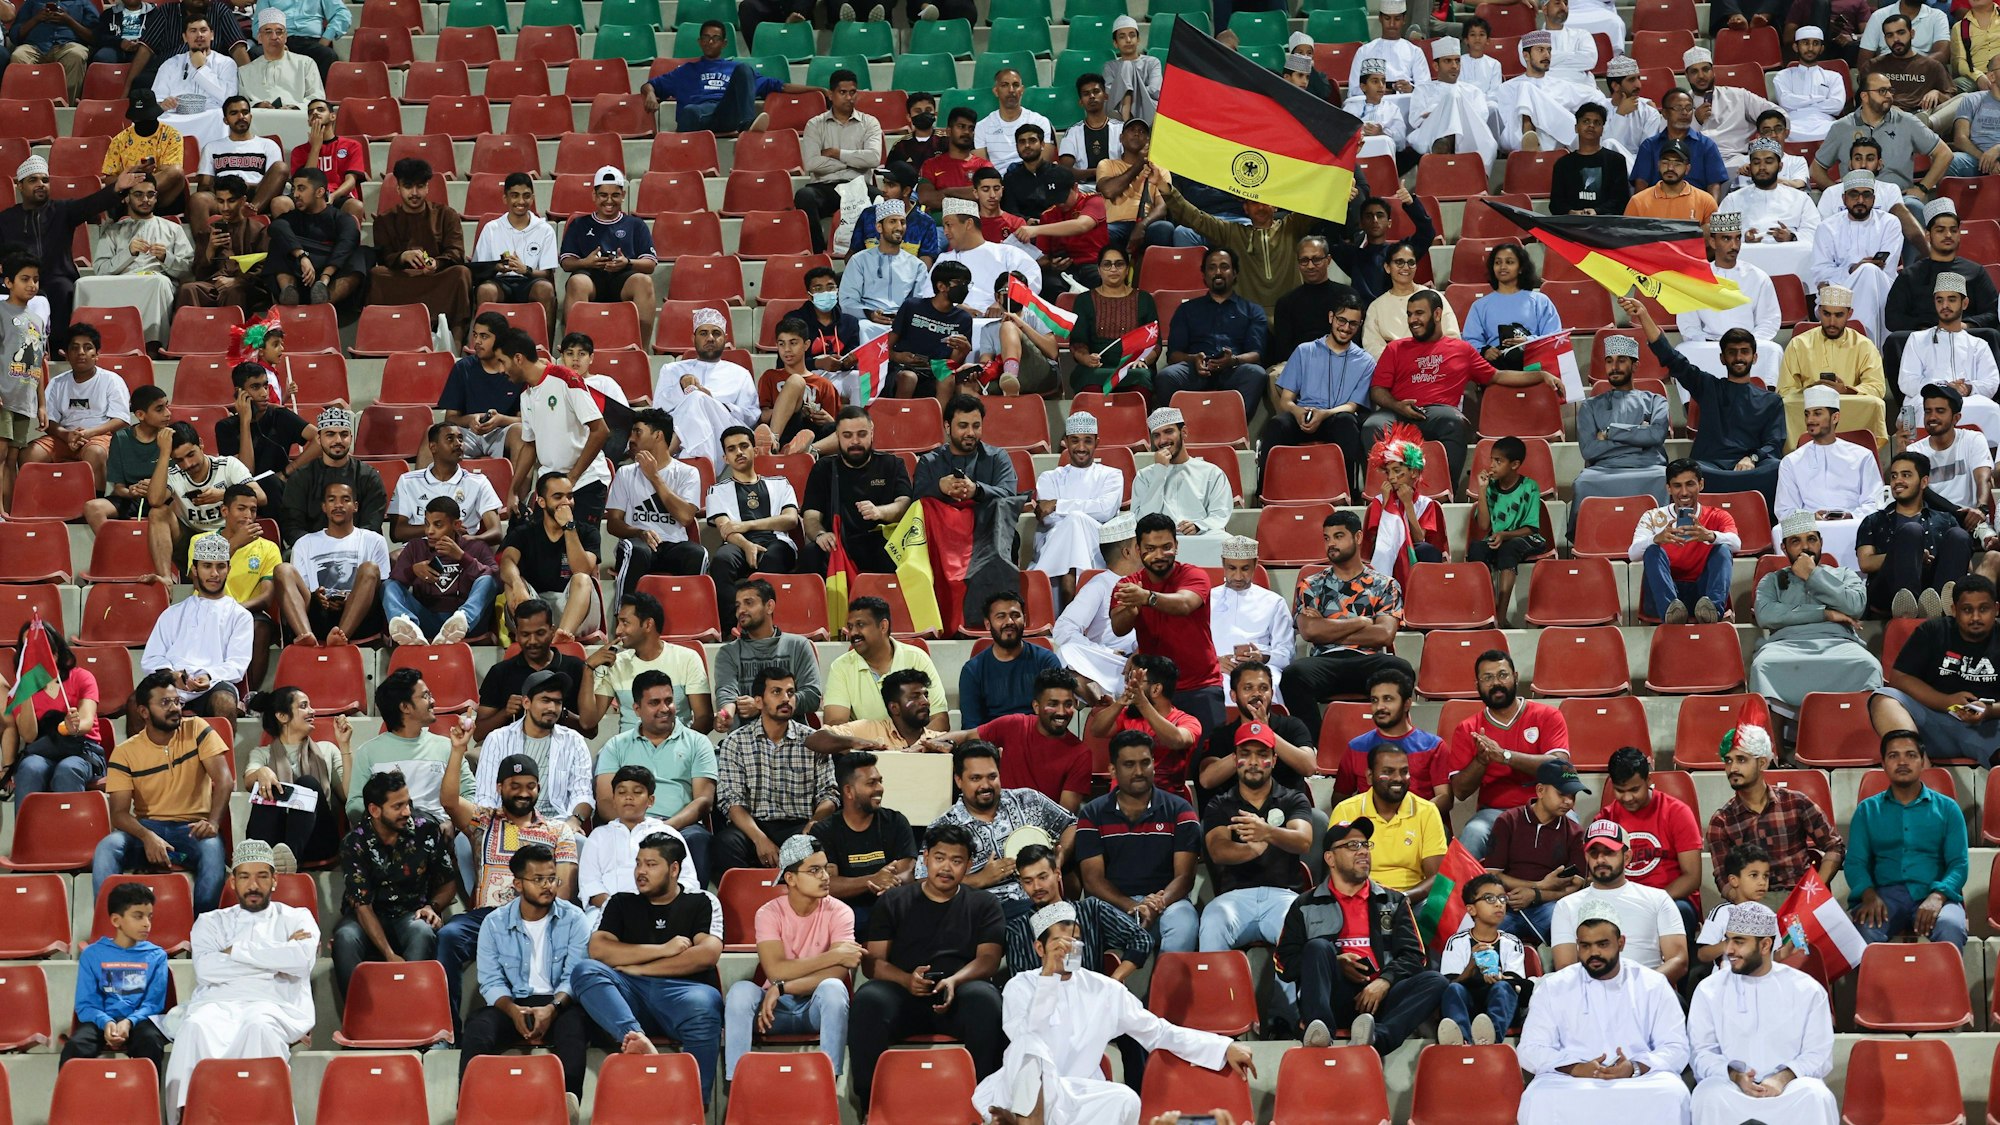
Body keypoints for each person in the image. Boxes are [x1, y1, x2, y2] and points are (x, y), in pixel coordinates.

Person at [977, 901, 1251, 1125]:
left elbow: (1158, 1032)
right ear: (1039, 948)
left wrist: (1223, 1046)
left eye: (1075, 942)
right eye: (1059, 945)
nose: (1068, 951)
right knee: (1030, 1050)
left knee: (1126, 1099)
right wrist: (1049, 975)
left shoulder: (1104, 990)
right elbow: (1026, 1036)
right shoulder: (1020, 985)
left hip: (1075, 1096)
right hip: (1021, 1093)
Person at [163, 839, 318, 1121]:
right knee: (195, 1027)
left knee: (258, 1027)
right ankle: (191, 1117)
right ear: (233, 882)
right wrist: (275, 962)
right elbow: (208, 969)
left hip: (273, 1004)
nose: (253, 885)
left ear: (274, 880)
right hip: (215, 1003)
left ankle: (264, 1116)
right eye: (245, 876)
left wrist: (235, 951)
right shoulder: (211, 921)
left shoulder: (297, 918)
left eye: (261, 876)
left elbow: (301, 960)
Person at [1278, 817, 1449, 1054]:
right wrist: (1333, 963)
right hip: (1331, 998)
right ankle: (1320, 1034)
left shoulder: (1393, 901)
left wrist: (1384, 981)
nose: (1362, 852)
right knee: (1318, 948)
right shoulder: (1305, 904)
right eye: (1351, 846)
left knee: (1436, 981)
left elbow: (1415, 956)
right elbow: (1283, 963)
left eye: (1365, 845)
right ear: (1330, 858)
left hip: (1380, 998)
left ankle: (1376, 1039)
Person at [1516, 904, 1693, 1125]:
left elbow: (1676, 1047)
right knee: (1538, 1098)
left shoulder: (1652, 984)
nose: (1594, 953)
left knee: (1672, 1094)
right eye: (1585, 945)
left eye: (1602, 944)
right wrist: (1577, 1068)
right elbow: (1531, 1049)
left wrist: (1634, 1067)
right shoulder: (1554, 986)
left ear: (1621, 943)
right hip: (1571, 1080)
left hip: (1640, 1080)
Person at [1368, 290, 1552, 487]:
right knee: (1373, 425)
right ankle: (1384, 491)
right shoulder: (1395, 348)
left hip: (1438, 413)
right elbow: (1377, 390)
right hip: (1399, 413)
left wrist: (1540, 375)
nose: (1413, 320)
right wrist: (1397, 406)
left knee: (1452, 422)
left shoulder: (1461, 349)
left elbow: (1497, 375)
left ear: (1437, 314)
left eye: (1419, 313)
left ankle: (1444, 489)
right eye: (1410, 314)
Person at [719, 834, 856, 1085]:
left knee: (834, 989)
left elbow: (837, 973)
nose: (825, 877)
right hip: (772, 1013)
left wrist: (784, 987)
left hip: (814, 1007)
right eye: (814, 870)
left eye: (825, 868)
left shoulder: (841, 912)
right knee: (739, 992)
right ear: (790, 878)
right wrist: (833, 955)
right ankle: (737, 1085)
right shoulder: (768, 913)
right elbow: (775, 970)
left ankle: (829, 1082)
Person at [462, 843, 592, 1106]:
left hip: (559, 1003)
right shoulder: (494, 922)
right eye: (538, 879)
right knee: (478, 1028)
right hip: (513, 1003)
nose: (548, 886)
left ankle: (568, 1107)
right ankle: (468, 1105)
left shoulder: (575, 918)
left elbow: (574, 975)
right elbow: (490, 980)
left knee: (575, 1027)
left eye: (552, 878)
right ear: (518, 884)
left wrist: (553, 1008)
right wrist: (512, 1011)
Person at [1688, 901, 1840, 1125]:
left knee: (1816, 1095)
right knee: (1707, 1094)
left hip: (1788, 1089)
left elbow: (1819, 1054)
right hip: (1731, 1087)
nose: (1729, 949)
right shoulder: (1709, 990)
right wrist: (1736, 1076)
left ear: (1765, 945)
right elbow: (1701, 1052)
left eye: (1739, 942)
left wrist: (1782, 1078)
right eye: (1728, 939)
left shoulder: (1806, 989)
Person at [1624, 297, 1786, 505]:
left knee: (1777, 467)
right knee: (1686, 473)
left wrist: (1751, 458)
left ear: (1754, 357)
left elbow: (1774, 443)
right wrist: (1644, 315)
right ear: (1722, 358)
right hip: (1710, 468)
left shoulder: (1771, 401)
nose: (1738, 357)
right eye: (1732, 352)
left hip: (1750, 469)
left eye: (1744, 352)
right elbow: (1672, 358)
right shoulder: (1709, 387)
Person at [1196, 724, 1314, 990]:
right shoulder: (1220, 804)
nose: (1252, 762)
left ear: (1273, 759)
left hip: (1282, 895)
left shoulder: (1293, 798)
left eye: (1261, 754)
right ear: (1235, 758)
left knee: (1296, 927)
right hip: (1234, 897)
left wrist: (1267, 832)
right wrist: (1253, 849)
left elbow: (1303, 840)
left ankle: (1291, 1018)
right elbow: (1218, 850)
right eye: (1245, 753)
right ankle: (1219, 1015)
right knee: (1213, 921)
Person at [1282, 510, 1413, 744]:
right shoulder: (1311, 584)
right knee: (1293, 675)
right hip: (1326, 662)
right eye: (1326, 538)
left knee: (1400, 668)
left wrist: (1326, 628)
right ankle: (1312, 748)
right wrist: (1361, 622)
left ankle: (1393, 742)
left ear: (1358, 537)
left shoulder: (1385, 585)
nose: (1331, 543)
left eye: (1338, 536)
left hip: (1368, 661)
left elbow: (1383, 634)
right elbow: (1310, 632)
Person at [331, 768, 456, 1000]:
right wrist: (389, 955)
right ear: (374, 810)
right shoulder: (354, 843)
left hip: (410, 913)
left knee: (422, 931)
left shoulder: (426, 829)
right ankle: (360, 1017)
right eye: (397, 806)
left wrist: (432, 907)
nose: (407, 811)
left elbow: (448, 883)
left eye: (407, 803)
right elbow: (362, 906)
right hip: (367, 916)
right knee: (345, 938)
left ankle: (408, 1013)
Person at [1076, 732, 1200, 954]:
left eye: (1145, 763)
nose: (1139, 772)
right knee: (1084, 921)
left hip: (1167, 904)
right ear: (1113, 769)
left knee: (1185, 922)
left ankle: (1165, 988)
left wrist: (1157, 904)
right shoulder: (1092, 814)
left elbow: (1185, 877)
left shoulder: (1180, 810)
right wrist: (1133, 906)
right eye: (1129, 765)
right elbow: (1092, 880)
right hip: (1114, 907)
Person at [1844, 728, 1970, 946]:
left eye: (1910, 755)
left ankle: (1944, 982)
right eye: (1894, 756)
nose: (1902, 762)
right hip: (1884, 895)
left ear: (1922, 761)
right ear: (1883, 763)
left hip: (1934, 891)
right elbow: (1855, 862)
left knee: (1951, 926)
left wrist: (1938, 896)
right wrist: (1868, 895)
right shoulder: (1868, 810)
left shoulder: (1948, 809)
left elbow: (1959, 864)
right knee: (1863, 928)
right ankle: (1876, 982)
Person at [918, 742, 1077, 913]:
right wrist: (979, 879)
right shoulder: (944, 827)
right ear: (958, 780)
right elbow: (922, 883)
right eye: (975, 778)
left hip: (1043, 904)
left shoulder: (1028, 800)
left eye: (992, 777)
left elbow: (1071, 824)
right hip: (985, 914)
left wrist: (1057, 861)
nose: (985, 785)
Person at [1110, 508, 1225, 739]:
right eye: (1150, 549)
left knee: (1207, 764)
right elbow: (1118, 627)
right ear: (1137, 550)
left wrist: (1146, 598)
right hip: (1155, 691)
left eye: (1166, 547)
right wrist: (1132, 610)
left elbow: (1184, 604)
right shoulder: (1128, 584)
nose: (1159, 555)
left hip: (1201, 685)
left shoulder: (1194, 575)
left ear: (1177, 546)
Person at [1751, 511, 1881, 714]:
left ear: (1821, 542)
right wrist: (1825, 614)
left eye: (1811, 539)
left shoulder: (1843, 574)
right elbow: (1766, 615)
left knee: (1869, 665)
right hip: (1785, 646)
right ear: (1784, 548)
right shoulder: (1772, 580)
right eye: (1796, 541)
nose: (1805, 547)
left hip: (1840, 644)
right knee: (1763, 665)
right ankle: (1772, 745)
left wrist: (1813, 575)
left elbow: (1855, 606)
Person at [592, 672, 715, 883]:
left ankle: (691, 909)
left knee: (698, 840)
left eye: (669, 701)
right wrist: (636, 827)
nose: (664, 709)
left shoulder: (698, 742)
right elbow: (605, 801)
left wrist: (664, 828)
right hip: (627, 824)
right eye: (654, 703)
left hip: (681, 826)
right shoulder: (615, 746)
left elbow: (703, 801)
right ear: (636, 709)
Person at [0, 160, 138, 344]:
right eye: (33, 180)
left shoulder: (62, 210)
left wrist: (116, 188)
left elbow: (92, 203)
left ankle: (57, 349)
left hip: (56, 276)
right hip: (17, 279)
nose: (41, 184)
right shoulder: (6, 219)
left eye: (45, 180)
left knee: (62, 290)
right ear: (20, 186)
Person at [715, 669, 837, 872]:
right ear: (758, 702)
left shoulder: (814, 740)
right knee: (725, 843)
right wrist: (759, 839)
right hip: (754, 826)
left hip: (801, 824)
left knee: (826, 836)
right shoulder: (735, 742)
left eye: (790, 693)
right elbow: (731, 800)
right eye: (776, 692)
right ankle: (744, 899)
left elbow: (829, 794)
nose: (786, 699)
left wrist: (814, 823)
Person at [1871, 575, 2000, 763]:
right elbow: (1899, 677)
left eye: (1983, 609)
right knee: (1884, 697)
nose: (1975, 617)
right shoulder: (1932, 631)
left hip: (1989, 727)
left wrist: (1989, 710)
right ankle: (1918, 770)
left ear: (1996, 609)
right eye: (1967, 610)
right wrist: (1945, 701)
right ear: (1954, 610)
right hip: (1933, 723)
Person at [1706, 723, 1846, 895]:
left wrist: (1814, 891)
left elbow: (1835, 846)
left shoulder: (1796, 802)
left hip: (1799, 895)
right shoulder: (1721, 821)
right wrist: (1747, 905)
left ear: (1762, 763)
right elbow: (1723, 878)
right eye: (1728, 760)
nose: (1732, 768)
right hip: (1753, 902)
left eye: (1741, 760)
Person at [1259, 294, 1373, 494]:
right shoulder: (1305, 351)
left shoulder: (1366, 361)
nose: (1346, 328)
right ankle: (1265, 492)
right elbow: (1286, 400)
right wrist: (1297, 411)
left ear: (1360, 324)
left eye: (1353, 324)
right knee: (1278, 424)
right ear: (1331, 318)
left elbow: (1352, 406)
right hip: (1304, 415)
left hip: (1335, 417)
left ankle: (1348, 493)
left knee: (1347, 422)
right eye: (1342, 320)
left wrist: (1326, 414)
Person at [1551, 821, 1690, 984]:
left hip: (1648, 993)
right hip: (1589, 996)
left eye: (1609, 852)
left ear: (1627, 857)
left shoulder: (1658, 899)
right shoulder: (1566, 906)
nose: (1600, 859)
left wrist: (1639, 989)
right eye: (1594, 853)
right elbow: (1566, 967)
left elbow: (1679, 961)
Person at [139, 536, 254, 717]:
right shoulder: (172, 613)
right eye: (207, 566)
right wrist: (172, 675)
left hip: (213, 684)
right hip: (172, 683)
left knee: (224, 701)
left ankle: (223, 747)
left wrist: (209, 675)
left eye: (220, 566)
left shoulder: (240, 616)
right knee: (135, 702)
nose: (214, 573)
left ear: (229, 569)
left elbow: (237, 664)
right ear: (195, 569)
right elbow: (152, 657)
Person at [343, 672, 474, 831]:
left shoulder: (448, 747)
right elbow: (354, 805)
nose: (433, 701)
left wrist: (453, 825)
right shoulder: (368, 752)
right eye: (425, 696)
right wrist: (390, 822)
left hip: (444, 834)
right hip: (390, 836)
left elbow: (471, 795)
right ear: (405, 707)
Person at [1151, 247, 1271, 418]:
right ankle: (1179, 431)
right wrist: (1194, 359)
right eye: (1212, 267)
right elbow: (1173, 355)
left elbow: (1256, 354)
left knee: (1256, 373)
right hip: (1195, 369)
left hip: (1233, 369)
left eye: (1224, 267)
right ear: (1204, 274)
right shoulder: (1187, 310)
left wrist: (1233, 360)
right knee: (1166, 377)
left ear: (1235, 272)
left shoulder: (1252, 310)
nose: (1218, 272)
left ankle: (1234, 430)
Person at [75, 173, 191, 348]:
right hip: (121, 281)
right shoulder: (114, 231)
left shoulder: (172, 229)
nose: (145, 200)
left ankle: (153, 345)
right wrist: (128, 252)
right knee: (82, 283)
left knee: (157, 281)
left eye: (150, 195)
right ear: (127, 199)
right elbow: (101, 269)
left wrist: (166, 257)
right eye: (138, 195)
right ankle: (83, 343)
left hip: (154, 281)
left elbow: (188, 269)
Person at [1774, 388, 1883, 569]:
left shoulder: (1862, 456)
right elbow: (1784, 510)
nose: (1810, 420)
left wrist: (1850, 516)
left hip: (1854, 524)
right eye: (1807, 414)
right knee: (1781, 531)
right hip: (1810, 527)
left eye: (1817, 414)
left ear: (1835, 417)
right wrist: (1811, 517)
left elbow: (1875, 503)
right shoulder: (1791, 462)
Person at [1855, 451, 1973, 619]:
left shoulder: (1945, 519)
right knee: (1911, 531)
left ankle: (1941, 608)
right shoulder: (1874, 520)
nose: (1898, 481)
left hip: (1933, 586)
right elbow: (1865, 563)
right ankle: (1906, 605)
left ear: (1924, 482)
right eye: (1894, 476)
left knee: (1959, 535)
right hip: (1887, 591)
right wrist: (1908, 554)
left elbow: (1967, 566)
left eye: (1906, 475)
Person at [65, 881, 171, 1067]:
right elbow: (86, 1004)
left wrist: (129, 1022)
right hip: (101, 1020)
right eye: (138, 917)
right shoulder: (92, 954)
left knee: (150, 1042)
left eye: (149, 917)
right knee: (75, 1046)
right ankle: (72, 1095)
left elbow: (153, 1004)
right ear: (116, 920)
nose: (147, 924)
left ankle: (147, 1095)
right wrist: (106, 1022)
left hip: (140, 1021)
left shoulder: (157, 956)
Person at [602, 408, 706, 596]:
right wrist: (639, 532)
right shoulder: (625, 473)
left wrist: (654, 477)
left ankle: (692, 617)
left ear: (658, 435)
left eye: (638, 432)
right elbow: (613, 523)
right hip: (637, 543)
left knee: (698, 554)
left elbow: (685, 517)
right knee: (636, 551)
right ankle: (624, 617)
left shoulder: (687, 473)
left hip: (673, 545)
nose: (631, 438)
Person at [799, 406, 913, 576]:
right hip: (838, 541)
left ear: (872, 433)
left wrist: (879, 511)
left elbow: (904, 505)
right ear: (837, 436)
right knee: (810, 555)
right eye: (847, 435)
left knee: (901, 557)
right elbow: (811, 516)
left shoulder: (892, 464)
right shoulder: (823, 468)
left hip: (879, 541)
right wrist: (820, 534)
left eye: (862, 434)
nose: (855, 442)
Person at [1627, 458, 1743, 624]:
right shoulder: (1652, 517)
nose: (1684, 492)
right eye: (1677, 485)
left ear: (1701, 484)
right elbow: (1633, 554)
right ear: (1668, 488)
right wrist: (1657, 538)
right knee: (1652, 550)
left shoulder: (1718, 516)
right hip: (1665, 594)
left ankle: (1712, 611)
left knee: (1723, 549)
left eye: (1690, 484)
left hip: (1702, 595)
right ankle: (1671, 611)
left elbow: (1736, 544)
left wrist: (1710, 536)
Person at [584, 591, 715, 737]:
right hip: (629, 753)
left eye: (625, 623)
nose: (618, 630)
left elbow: (705, 718)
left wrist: (681, 745)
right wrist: (588, 668)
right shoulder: (616, 663)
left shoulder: (687, 658)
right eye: (618, 623)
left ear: (648, 624)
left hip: (677, 752)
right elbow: (588, 722)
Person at [274, 480, 389, 646]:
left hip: (360, 616)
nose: (338, 505)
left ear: (355, 506)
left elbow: (381, 589)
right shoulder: (304, 543)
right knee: (282, 569)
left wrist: (351, 598)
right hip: (317, 615)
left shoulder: (374, 540)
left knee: (369, 568)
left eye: (345, 500)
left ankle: (339, 637)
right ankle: (306, 637)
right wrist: (316, 596)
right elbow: (301, 596)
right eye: (332, 500)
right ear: (324, 507)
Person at [477, 669, 594, 830]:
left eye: (558, 702)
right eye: (545, 700)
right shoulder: (498, 739)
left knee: (582, 845)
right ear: (527, 703)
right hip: (508, 824)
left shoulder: (574, 741)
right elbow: (485, 796)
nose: (552, 708)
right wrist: (497, 826)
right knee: (465, 841)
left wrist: (574, 821)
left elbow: (583, 793)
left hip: (556, 825)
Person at [556, 167, 659, 347]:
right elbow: (566, 262)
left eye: (615, 195)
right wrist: (586, 262)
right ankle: (574, 349)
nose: (609, 201)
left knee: (644, 282)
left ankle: (640, 349)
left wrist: (627, 262)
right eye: (603, 195)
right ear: (594, 195)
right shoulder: (579, 223)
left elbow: (650, 263)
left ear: (623, 195)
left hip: (623, 278)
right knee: (577, 282)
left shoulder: (635, 224)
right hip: (591, 278)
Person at [369, 158, 471, 338]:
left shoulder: (447, 215)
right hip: (402, 278)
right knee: (377, 274)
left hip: (435, 278)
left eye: (420, 186)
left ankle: (455, 341)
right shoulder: (384, 220)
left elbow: (456, 253)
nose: (414, 193)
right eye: (408, 186)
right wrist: (402, 257)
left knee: (461, 273)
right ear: (398, 188)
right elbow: (384, 256)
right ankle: (383, 337)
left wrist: (436, 263)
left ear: (427, 188)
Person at [243, 687, 344, 867]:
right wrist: (261, 772)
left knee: (307, 784)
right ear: (282, 716)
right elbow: (249, 781)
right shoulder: (262, 753)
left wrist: (345, 746)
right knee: (269, 786)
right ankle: (262, 858)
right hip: (275, 836)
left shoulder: (327, 750)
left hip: (318, 839)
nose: (312, 711)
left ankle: (288, 858)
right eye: (304, 706)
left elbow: (347, 795)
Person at [3, 621, 103, 803]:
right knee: (29, 768)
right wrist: (26, 690)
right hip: (42, 750)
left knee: (67, 769)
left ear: (55, 651)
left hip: (81, 749)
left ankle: (71, 831)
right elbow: (29, 735)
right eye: (27, 648)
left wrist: (74, 725)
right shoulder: (21, 690)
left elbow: (86, 722)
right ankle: (26, 831)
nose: (33, 652)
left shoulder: (82, 677)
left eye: (39, 646)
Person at [1328, 742, 1446, 894]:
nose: (1398, 778)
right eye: (1388, 772)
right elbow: (1337, 870)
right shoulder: (1346, 810)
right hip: (1359, 896)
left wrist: (1402, 899)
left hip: (1412, 899)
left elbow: (1436, 878)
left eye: (1404, 772)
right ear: (1370, 777)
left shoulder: (1427, 811)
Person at [1895, 272, 2000, 444]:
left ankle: (1991, 467)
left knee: (1993, 410)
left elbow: (1991, 383)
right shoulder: (1917, 339)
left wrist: (1967, 388)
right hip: (1926, 401)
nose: (1945, 305)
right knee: (1926, 409)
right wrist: (1943, 387)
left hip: (1967, 401)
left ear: (1964, 303)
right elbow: (1907, 382)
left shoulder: (1978, 345)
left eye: (1951, 299)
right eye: (1939, 300)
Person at [498, 472, 603, 643]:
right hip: (534, 606)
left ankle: (562, 638)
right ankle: (536, 635)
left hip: (576, 609)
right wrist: (517, 584)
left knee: (583, 579)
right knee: (511, 581)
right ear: (541, 502)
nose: (566, 502)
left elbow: (582, 570)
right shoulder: (524, 533)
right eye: (558, 496)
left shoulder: (588, 533)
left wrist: (569, 527)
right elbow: (506, 562)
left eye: (570, 496)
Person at [1780, 284, 1889, 445]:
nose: (1831, 322)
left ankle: (1864, 449)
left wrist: (1846, 390)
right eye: (1826, 314)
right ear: (1819, 311)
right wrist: (1811, 390)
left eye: (1838, 315)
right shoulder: (1799, 344)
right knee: (1785, 404)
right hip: (1809, 406)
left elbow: (1877, 388)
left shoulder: (1864, 345)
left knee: (1876, 403)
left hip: (1848, 405)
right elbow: (1784, 391)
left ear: (1849, 314)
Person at [1029, 413, 1123, 597]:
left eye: (1087, 441)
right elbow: (1048, 520)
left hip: (1097, 544)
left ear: (1097, 442)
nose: (1081, 447)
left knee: (1075, 520)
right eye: (1075, 440)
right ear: (1065, 442)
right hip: (1055, 542)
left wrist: (1058, 504)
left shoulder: (1112, 475)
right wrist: (1085, 510)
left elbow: (1105, 511)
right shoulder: (1049, 477)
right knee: (1074, 523)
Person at [712, 578, 822, 732]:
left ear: (769, 606)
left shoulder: (798, 646)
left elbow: (812, 696)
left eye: (748, 603)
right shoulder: (728, 652)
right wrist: (725, 714)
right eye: (738, 606)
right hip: (745, 742)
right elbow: (726, 693)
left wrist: (761, 706)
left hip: (794, 739)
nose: (740, 611)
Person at [652, 308, 758, 469]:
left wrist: (713, 403)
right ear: (693, 338)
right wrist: (680, 388)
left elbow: (751, 416)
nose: (710, 338)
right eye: (703, 333)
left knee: (697, 398)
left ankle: (667, 455)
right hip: (681, 431)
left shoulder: (740, 374)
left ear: (725, 338)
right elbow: (658, 410)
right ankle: (700, 469)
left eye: (716, 333)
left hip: (723, 432)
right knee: (695, 399)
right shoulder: (671, 370)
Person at [1083, 654, 1203, 795]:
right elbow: (1097, 730)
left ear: (1156, 689)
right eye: (1129, 679)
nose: (1129, 685)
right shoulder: (1127, 715)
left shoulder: (1187, 721)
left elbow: (1177, 740)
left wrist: (1142, 703)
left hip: (1166, 805)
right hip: (1121, 800)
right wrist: (1121, 702)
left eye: (1137, 681)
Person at [822, 596, 947, 727]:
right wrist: (879, 743)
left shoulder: (917, 659)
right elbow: (834, 724)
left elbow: (939, 720)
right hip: (865, 746)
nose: (853, 633)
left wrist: (914, 746)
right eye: (850, 626)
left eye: (860, 625)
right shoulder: (841, 667)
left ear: (883, 626)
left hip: (917, 746)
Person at [1130, 410, 1232, 568]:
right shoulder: (1145, 476)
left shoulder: (1211, 472)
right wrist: (1159, 472)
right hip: (1157, 541)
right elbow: (1142, 518)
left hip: (1199, 537)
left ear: (1183, 432)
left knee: (1224, 542)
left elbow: (1220, 513)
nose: (1162, 440)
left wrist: (1199, 526)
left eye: (1168, 431)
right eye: (1156, 435)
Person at [1437, 873, 1529, 1045]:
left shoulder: (1512, 942)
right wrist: (1471, 967)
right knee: (1454, 990)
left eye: (1502, 898)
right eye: (1489, 898)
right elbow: (1448, 984)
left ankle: (1490, 1039)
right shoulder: (1456, 941)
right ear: (1471, 909)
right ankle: (1460, 1040)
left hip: (1500, 1004)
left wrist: (1499, 977)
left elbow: (1518, 985)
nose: (1498, 904)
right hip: (1469, 1003)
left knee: (1502, 988)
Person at [276, 408, 386, 547]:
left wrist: (347, 547)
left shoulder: (368, 477)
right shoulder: (301, 478)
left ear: (351, 438)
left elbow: (372, 524)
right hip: (313, 550)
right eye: (330, 434)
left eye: (344, 434)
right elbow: (292, 527)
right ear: (318, 438)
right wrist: (321, 548)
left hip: (358, 550)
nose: (338, 440)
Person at [1210, 538, 1297, 704]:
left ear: (1255, 564)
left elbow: (1287, 654)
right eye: (1231, 568)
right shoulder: (1206, 600)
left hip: (1261, 670)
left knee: (1271, 686)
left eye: (1245, 569)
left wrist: (1262, 658)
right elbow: (1194, 648)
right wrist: (1214, 662)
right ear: (1223, 563)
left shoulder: (1274, 602)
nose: (1238, 576)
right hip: (1216, 670)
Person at [959, 597, 1066, 729]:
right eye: (1000, 616)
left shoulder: (1045, 661)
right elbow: (971, 725)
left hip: (1038, 739)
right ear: (988, 624)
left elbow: (1054, 715)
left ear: (1024, 620)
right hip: (991, 743)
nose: (1009, 622)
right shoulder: (972, 670)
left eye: (1015, 615)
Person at [268, 167, 362, 307]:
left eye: (301, 188)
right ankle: (288, 291)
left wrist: (326, 275)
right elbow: (276, 227)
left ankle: (324, 299)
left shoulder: (340, 217)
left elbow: (348, 241)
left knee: (362, 253)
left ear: (319, 192)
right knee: (278, 240)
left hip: (330, 272)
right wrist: (302, 256)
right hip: (300, 272)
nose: (295, 194)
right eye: (294, 189)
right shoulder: (291, 217)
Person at [1410, 38, 1500, 171]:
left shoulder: (1473, 91)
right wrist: (1441, 111)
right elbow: (1415, 120)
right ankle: (1443, 141)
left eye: (1457, 61)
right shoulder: (1423, 90)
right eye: (1448, 61)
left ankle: (1446, 143)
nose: (1454, 66)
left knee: (1454, 98)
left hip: (1467, 136)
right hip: (1430, 133)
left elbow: (1479, 120)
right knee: (1452, 97)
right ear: (1436, 66)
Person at [1717, 139, 1821, 246]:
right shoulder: (1732, 200)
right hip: (1746, 256)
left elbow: (1815, 234)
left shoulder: (1800, 199)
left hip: (1790, 256)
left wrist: (1791, 237)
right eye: (1756, 162)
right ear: (1750, 166)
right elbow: (1720, 237)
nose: (1762, 167)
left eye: (1769, 162)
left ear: (1780, 166)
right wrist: (1743, 238)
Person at [1859, 12, 1953, 112]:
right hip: (1887, 115)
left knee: (1963, 99)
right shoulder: (1873, 66)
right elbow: (1863, 101)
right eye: (1890, 35)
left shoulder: (1932, 66)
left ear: (1912, 34)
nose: (1896, 39)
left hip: (1924, 114)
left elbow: (1951, 99)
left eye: (1901, 33)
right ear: (1885, 39)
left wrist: (1938, 94)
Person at [1550, 102, 1633, 215]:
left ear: (1602, 129)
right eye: (1586, 121)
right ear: (1576, 128)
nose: (1591, 125)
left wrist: (1597, 211)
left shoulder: (1616, 161)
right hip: (1571, 226)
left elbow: (1621, 201)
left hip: (1605, 226)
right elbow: (1555, 204)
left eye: (1597, 122)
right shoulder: (1563, 164)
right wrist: (1571, 212)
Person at [239, 10, 323, 109]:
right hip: (259, 120)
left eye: (279, 32)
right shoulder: (245, 72)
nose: (274, 37)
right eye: (268, 32)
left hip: (297, 119)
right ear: (260, 38)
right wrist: (257, 106)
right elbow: (240, 104)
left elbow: (317, 97)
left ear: (286, 37)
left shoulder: (305, 64)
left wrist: (295, 107)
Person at [1774, 27, 1848, 140]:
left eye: (1815, 43)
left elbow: (1837, 106)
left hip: (1824, 124)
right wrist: (1818, 98)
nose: (1810, 48)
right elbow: (1785, 102)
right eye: (1805, 43)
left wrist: (1798, 103)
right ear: (1795, 47)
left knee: (1840, 130)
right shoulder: (1783, 76)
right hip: (1794, 125)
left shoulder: (1834, 76)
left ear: (1821, 48)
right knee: (1781, 132)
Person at [1628, 138, 1723, 223]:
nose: (1670, 168)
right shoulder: (1638, 201)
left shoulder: (1706, 202)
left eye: (1677, 164)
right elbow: (1626, 237)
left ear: (1687, 169)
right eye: (1665, 162)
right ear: (1658, 165)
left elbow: (1714, 239)